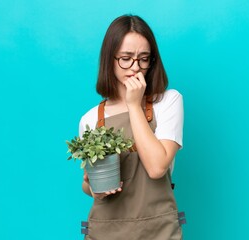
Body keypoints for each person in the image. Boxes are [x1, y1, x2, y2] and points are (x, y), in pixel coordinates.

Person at [78, 14, 184, 240]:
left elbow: (157, 168)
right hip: (105, 231)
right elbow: (89, 187)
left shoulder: (168, 102)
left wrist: (134, 105)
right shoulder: (90, 119)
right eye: (126, 58)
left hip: (158, 231)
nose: (135, 68)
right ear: (110, 59)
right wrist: (92, 188)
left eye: (144, 58)